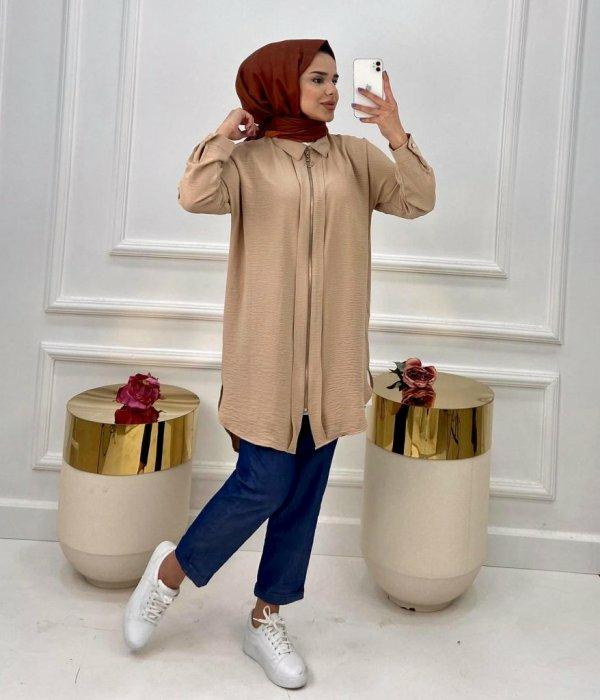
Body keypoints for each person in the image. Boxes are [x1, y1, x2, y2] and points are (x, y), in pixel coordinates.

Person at [123, 38, 436, 690]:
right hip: (265, 360)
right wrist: (222, 135)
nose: (331, 90)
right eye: (316, 78)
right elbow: (192, 196)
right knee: (264, 482)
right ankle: (169, 575)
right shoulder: (248, 163)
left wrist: (394, 131)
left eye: (333, 78)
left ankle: (265, 617)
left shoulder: (354, 157)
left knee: (303, 492)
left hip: (332, 361)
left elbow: (417, 200)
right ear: (277, 83)